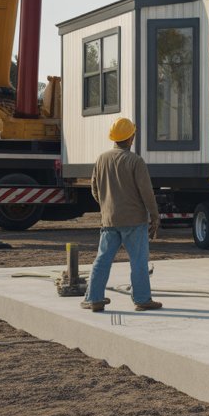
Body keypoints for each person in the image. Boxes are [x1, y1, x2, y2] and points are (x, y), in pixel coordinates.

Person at [83, 117, 163, 312]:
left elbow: (94, 189)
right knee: (138, 261)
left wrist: (107, 206)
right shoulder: (135, 161)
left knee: (102, 259)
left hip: (109, 220)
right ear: (131, 138)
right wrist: (154, 215)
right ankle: (142, 299)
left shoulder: (101, 159)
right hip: (134, 220)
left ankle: (94, 298)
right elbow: (146, 192)